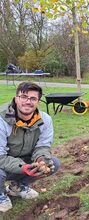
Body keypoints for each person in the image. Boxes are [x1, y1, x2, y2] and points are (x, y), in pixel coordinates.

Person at [0, 82, 60, 212]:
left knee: (53, 163)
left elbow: (43, 145)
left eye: (33, 98)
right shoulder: (2, 119)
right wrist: (23, 167)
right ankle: (0, 194)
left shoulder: (45, 120)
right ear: (16, 99)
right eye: (24, 97)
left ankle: (17, 186)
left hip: (24, 158)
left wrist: (41, 159)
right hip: (3, 160)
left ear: (38, 102)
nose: (28, 102)